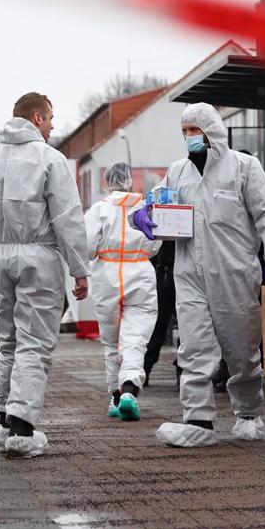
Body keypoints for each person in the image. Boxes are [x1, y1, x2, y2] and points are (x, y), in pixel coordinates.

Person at [131, 103, 265, 448]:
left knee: (242, 350)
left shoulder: (244, 167)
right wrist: (142, 215)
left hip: (235, 274)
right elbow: (154, 203)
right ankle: (198, 420)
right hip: (190, 275)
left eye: (195, 130)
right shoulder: (178, 172)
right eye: (185, 131)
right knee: (194, 348)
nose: (189, 137)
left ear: (212, 131)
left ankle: (248, 414)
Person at [0, 92, 90, 458]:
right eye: (50, 119)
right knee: (35, 342)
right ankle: (22, 425)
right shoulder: (49, 159)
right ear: (37, 118)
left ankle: (6, 418)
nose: (52, 126)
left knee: (9, 340)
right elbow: (67, 218)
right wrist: (79, 269)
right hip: (37, 256)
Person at [84, 162, 161, 421]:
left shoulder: (99, 210)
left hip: (106, 277)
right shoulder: (145, 208)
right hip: (140, 274)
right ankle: (129, 390)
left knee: (111, 341)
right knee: (135, 338)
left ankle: (116, 397)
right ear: (131, 181)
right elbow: (155, 244)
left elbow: (87, 247)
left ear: (107, 182)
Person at [142, 241, 177, 387]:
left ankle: (144, 370)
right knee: (158, 324)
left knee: (157, 324)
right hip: (167, 269)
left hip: (166, 269)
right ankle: (144, 369)